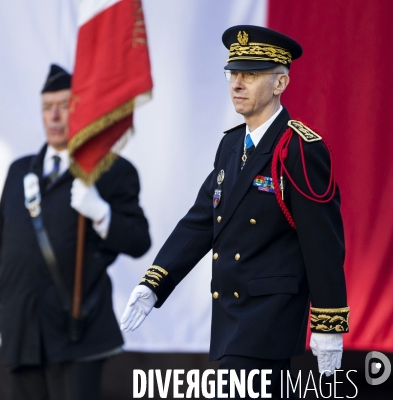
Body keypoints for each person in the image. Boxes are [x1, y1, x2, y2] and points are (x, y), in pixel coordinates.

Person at [121, 25, 349, 397]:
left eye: (252, 74)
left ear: (280, 84)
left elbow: (322, 244)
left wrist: (328, 324)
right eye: (234, 73)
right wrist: (155, 282)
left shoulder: (299, 149)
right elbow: (200, 222)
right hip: (229, 320)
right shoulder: (230, 145)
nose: (238, 84)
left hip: (268, 322)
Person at [0, 64, 151, 400]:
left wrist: (102, 214)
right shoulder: (20, 170)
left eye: (63, 106)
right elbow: (2, 249)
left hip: (78, 330)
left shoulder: (111, 170)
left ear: (80, 109)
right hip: (22, 329)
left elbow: (139, 240)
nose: (54, 116)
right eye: (47, 107)